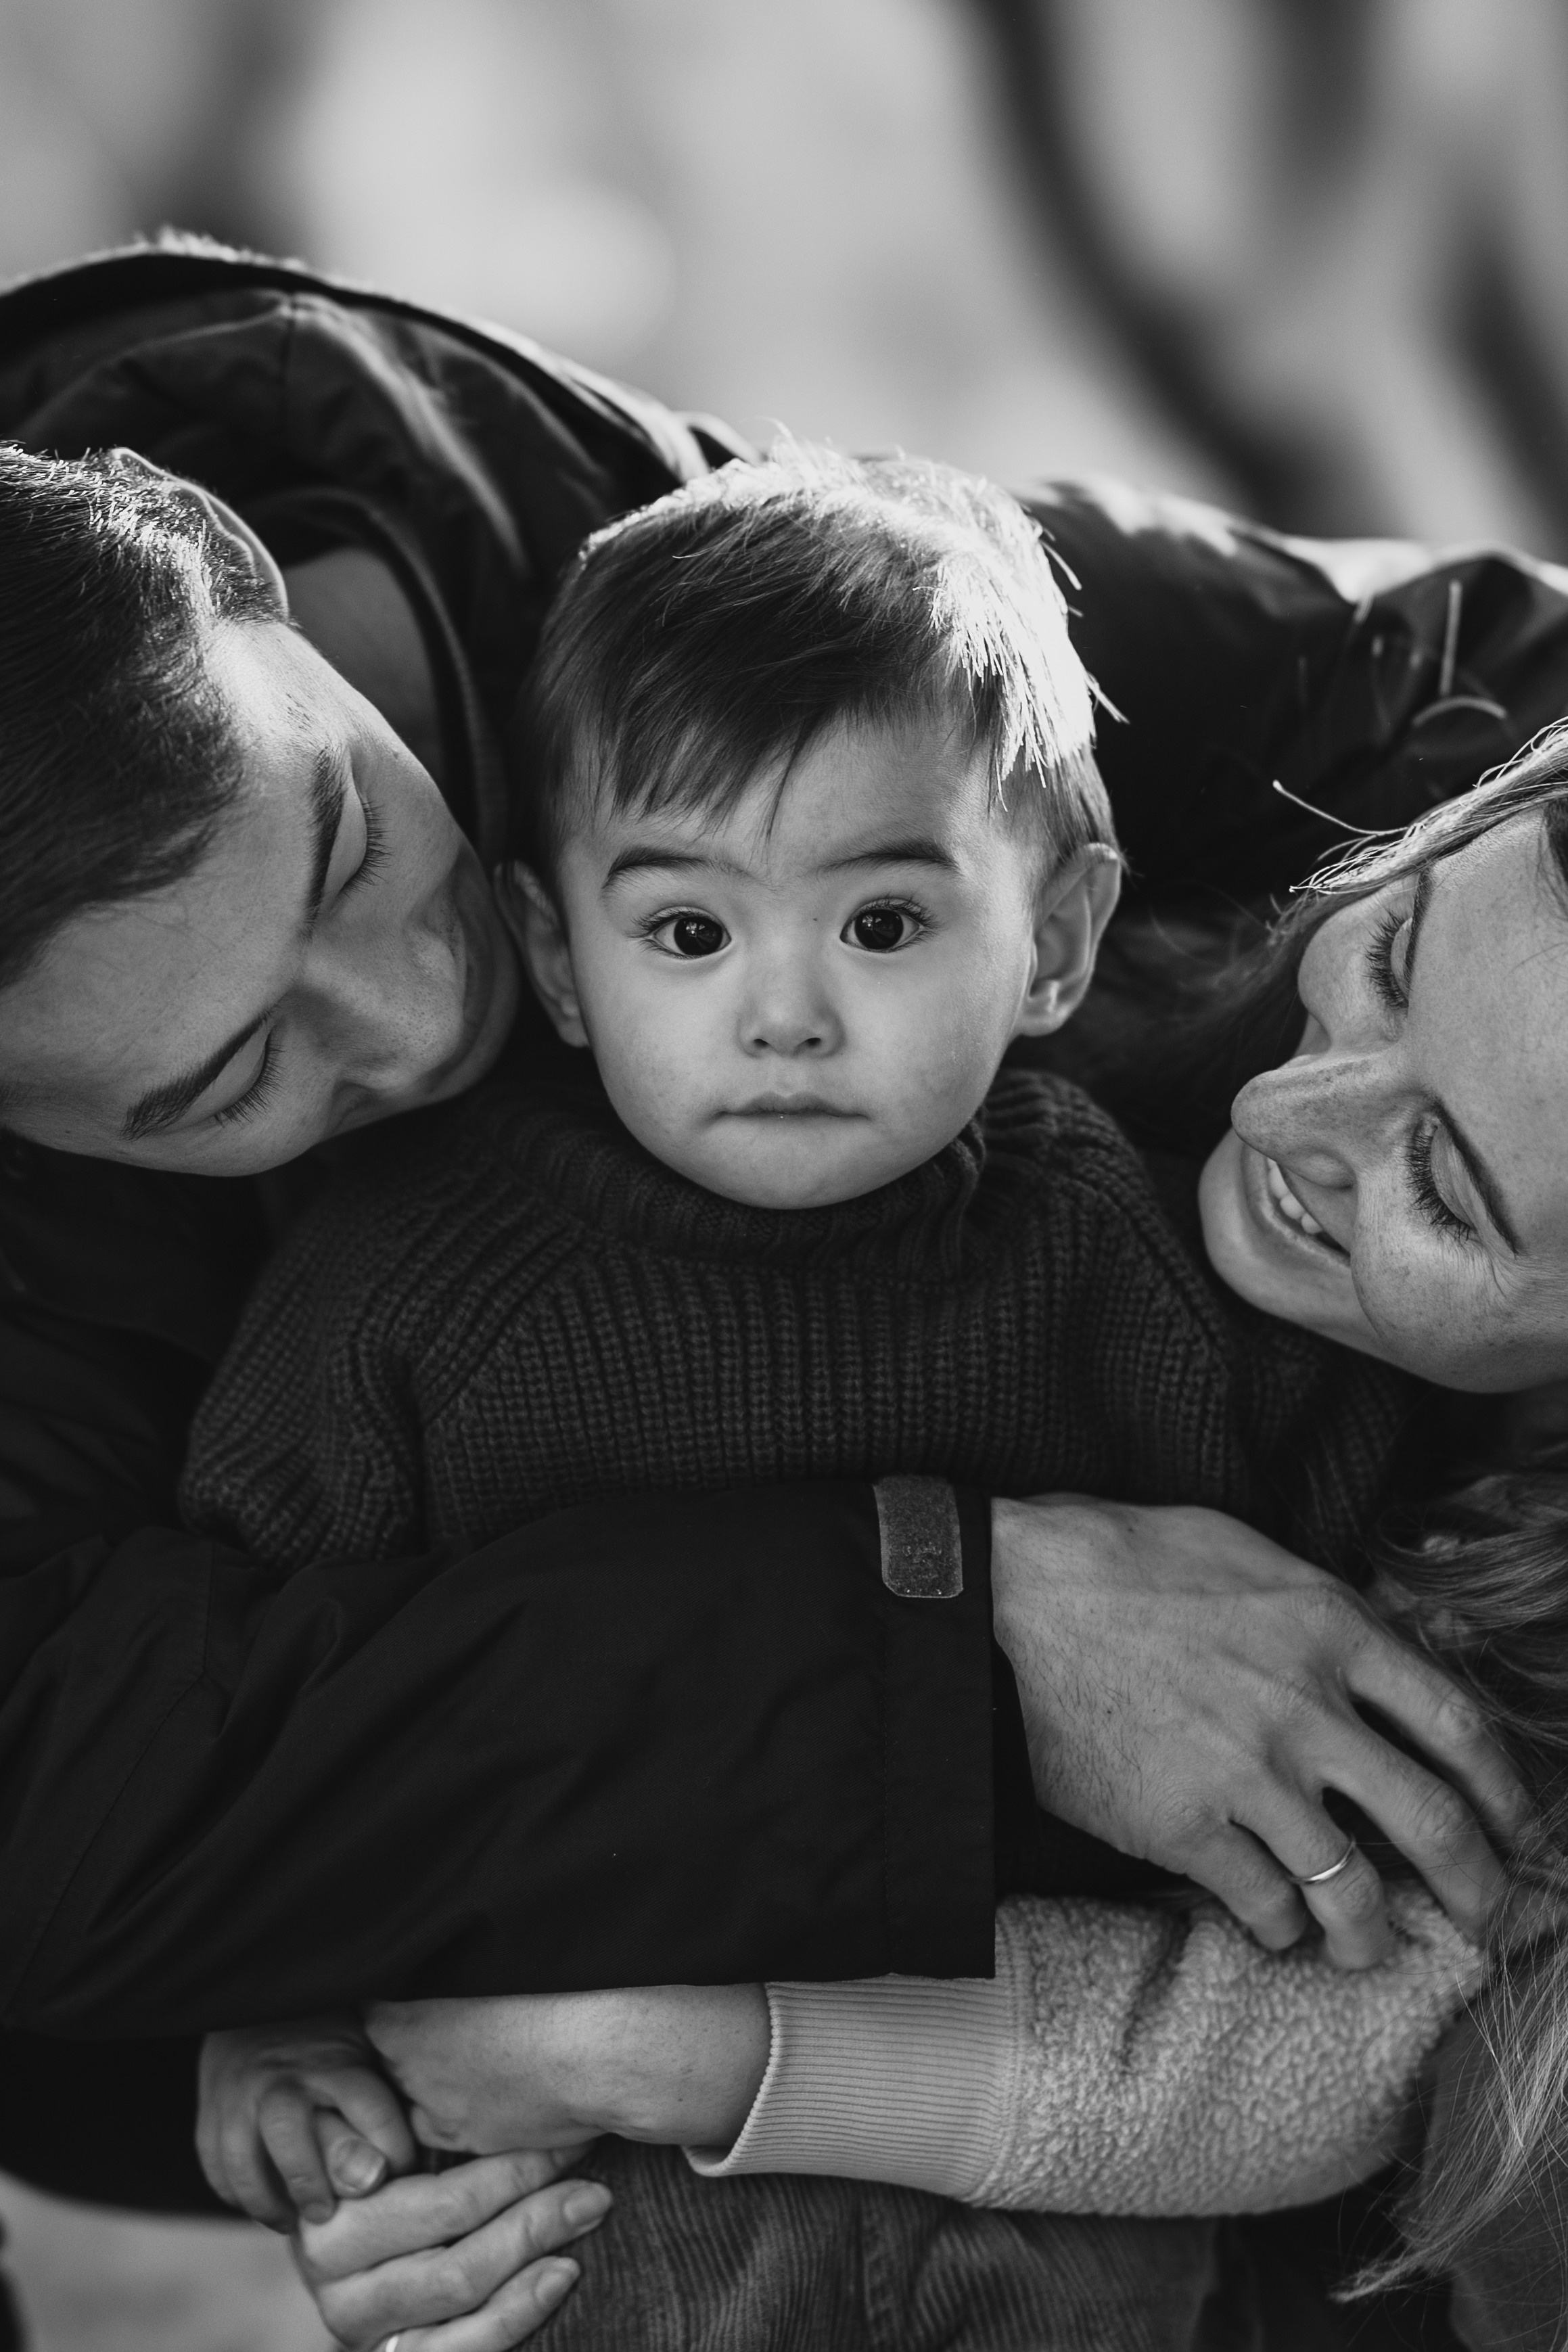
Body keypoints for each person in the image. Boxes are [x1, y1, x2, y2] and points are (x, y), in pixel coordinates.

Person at [0, 239, 1556, 2334]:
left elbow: (1454, 680)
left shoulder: (740, 602)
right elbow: (134, 1811)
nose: (424, 998)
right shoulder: (375, 1328)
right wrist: (288, 2052)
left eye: (366, 841)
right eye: (230, 1075)